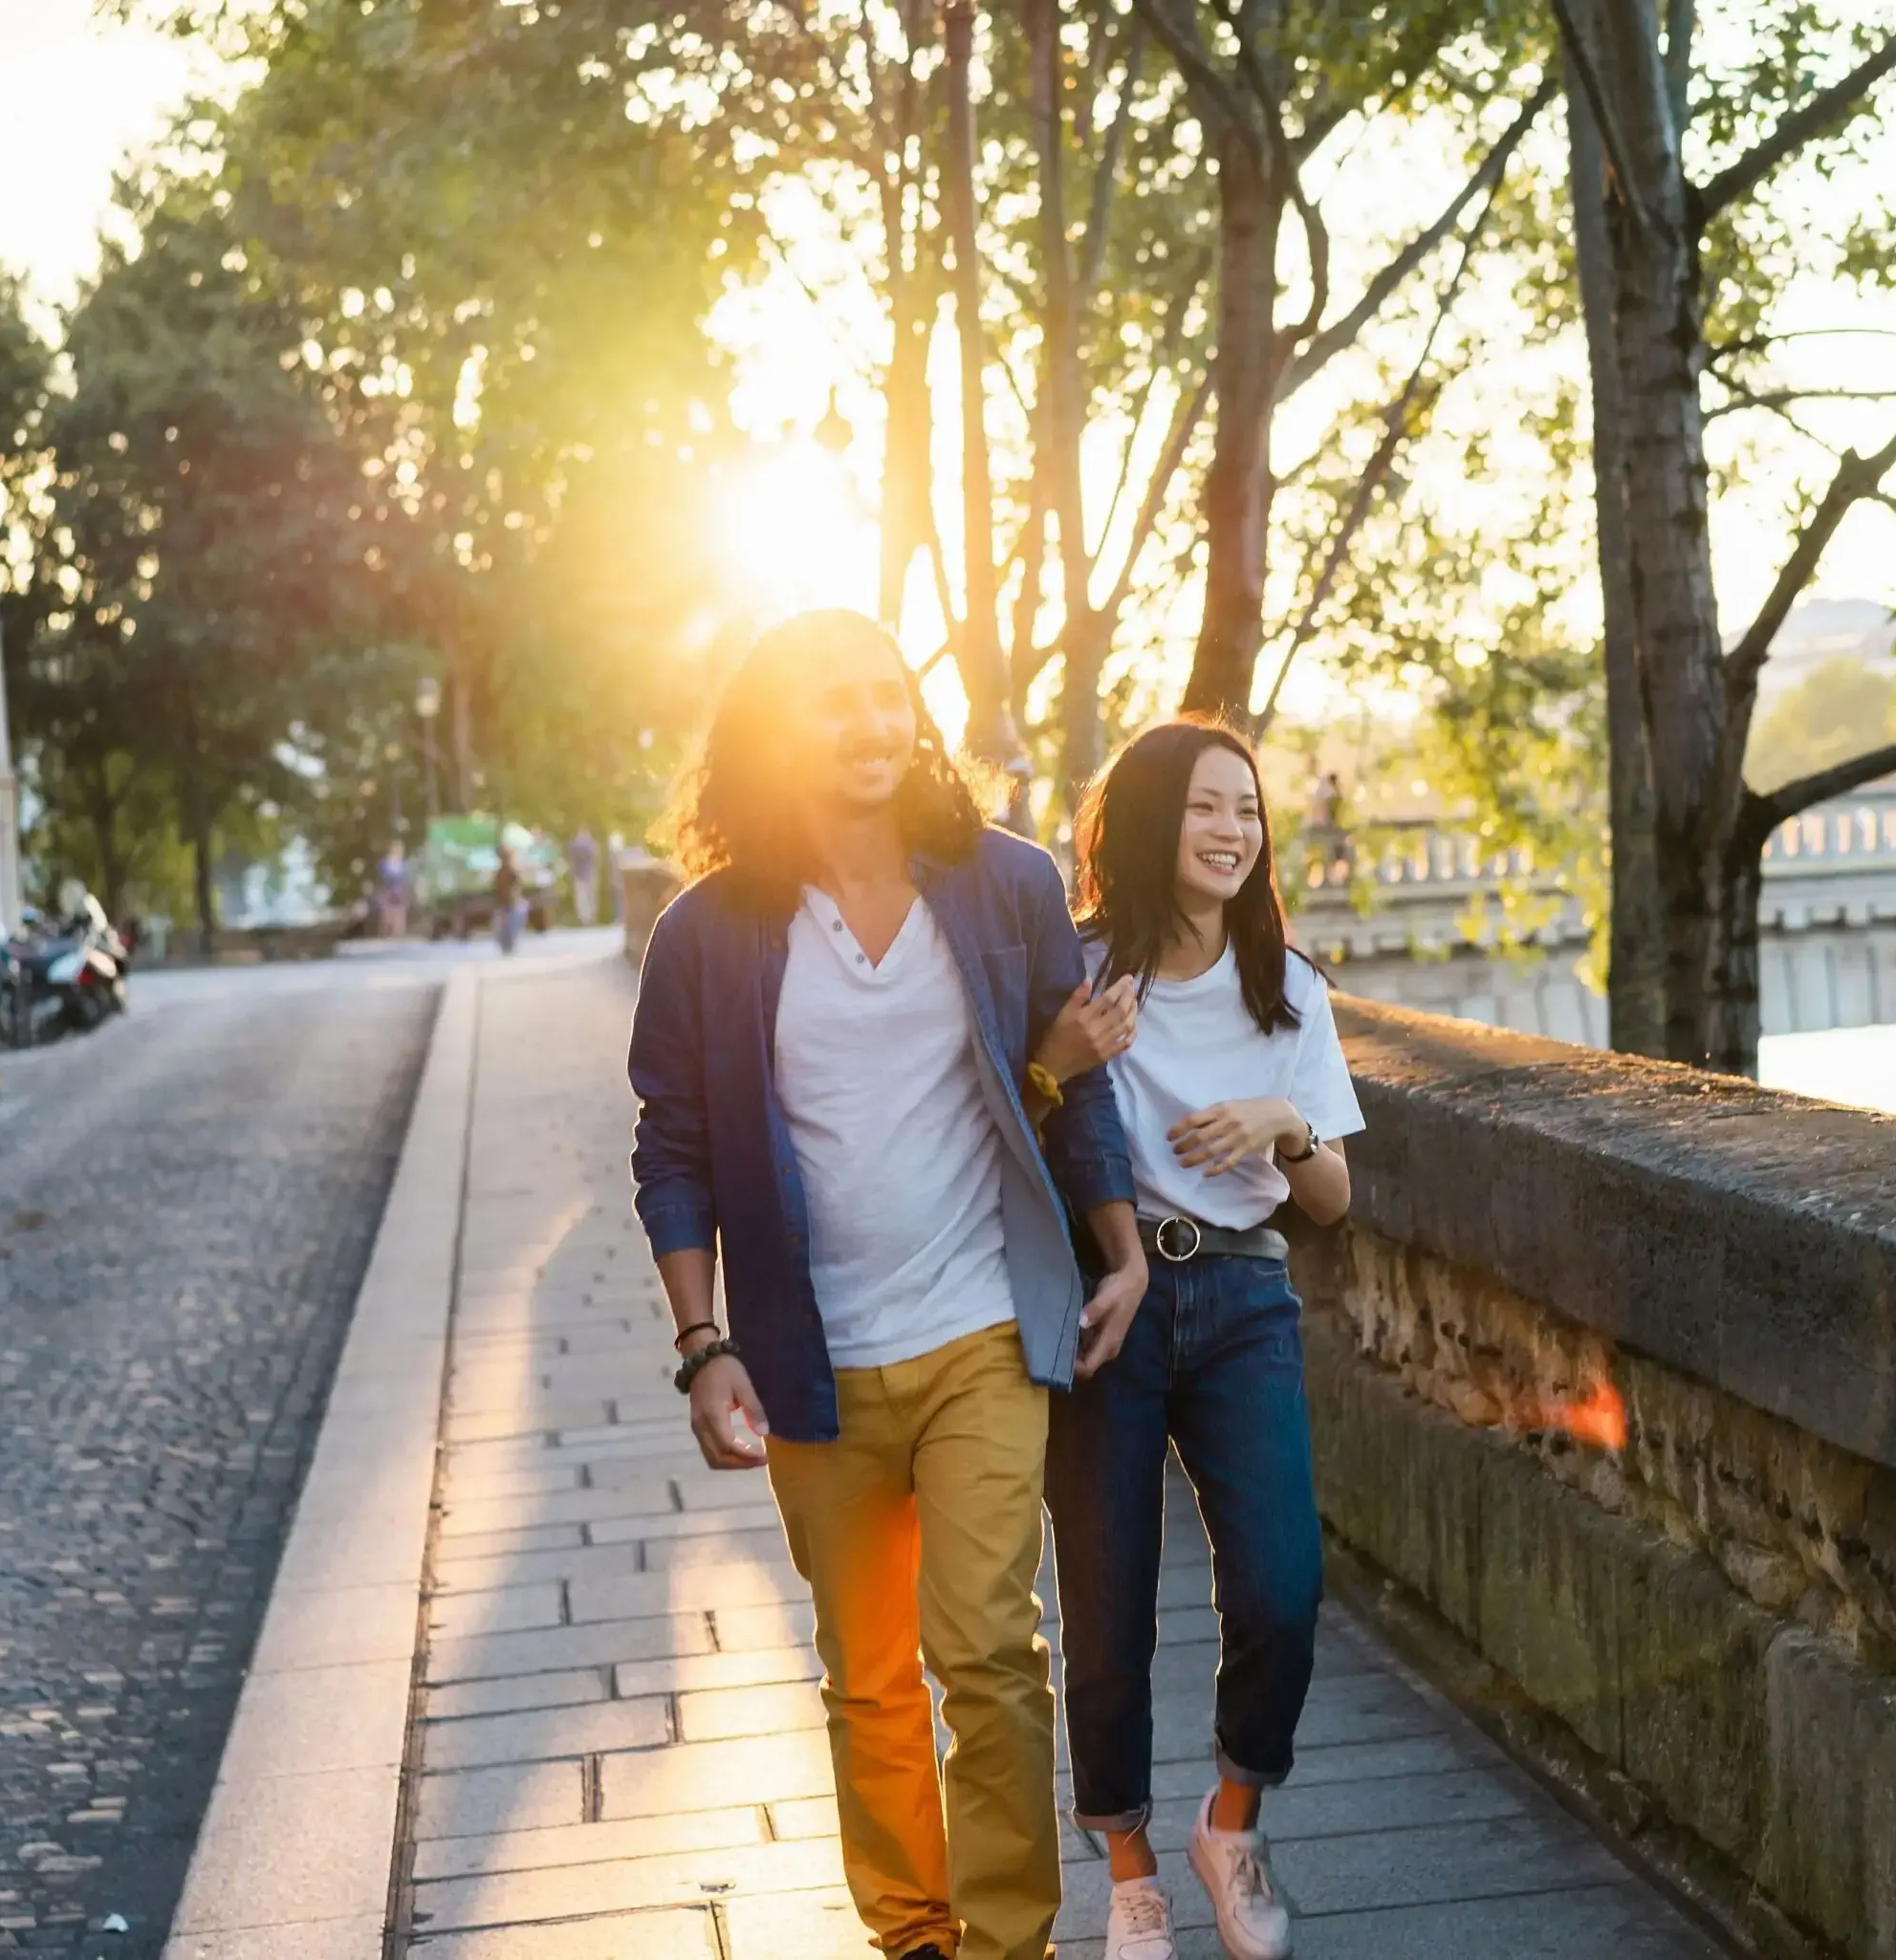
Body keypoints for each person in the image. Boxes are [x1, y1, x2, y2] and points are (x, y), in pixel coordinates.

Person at [628, 608, 1148, 1960]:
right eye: (832, 702)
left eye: (887, 695)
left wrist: (1123, 1242)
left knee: (986, 1652)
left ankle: (1009, 1942)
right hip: (812, 1360)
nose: (870, 724)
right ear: (771, 738)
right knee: (866, 1682)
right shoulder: (706, 935)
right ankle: (912, 1934)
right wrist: (705, 1344)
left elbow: (1068, 1072)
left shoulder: (1006, 885)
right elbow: (672, 1148)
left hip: (982, 1323)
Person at [1031, 718, 1362, 1960]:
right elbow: (1013, 1118)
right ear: (1150, 819)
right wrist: (1062, 1060)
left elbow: (1331, 1202)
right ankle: (1128, 1871)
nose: (1233, 832)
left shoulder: (1291, 989)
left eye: (1249, 810)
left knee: (1283, 1582)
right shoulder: (1084, 975)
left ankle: (1233, 1823)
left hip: (1242, 1301)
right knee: (1108, 1610)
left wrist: (1287, 1122)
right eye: (1205, 808)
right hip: (1107, 1304)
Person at [490, 843, 525, 954]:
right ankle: (506, 946)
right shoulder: (500, 872)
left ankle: (509, 946)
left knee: (510, 925)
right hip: (503, 903)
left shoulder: (511, 871)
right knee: (503, 926)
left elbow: (516, 885)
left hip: (510, 903)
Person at [568, 826, 599, 927]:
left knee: (581, 898)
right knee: (590, 896)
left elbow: (570, 853)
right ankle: (590, 918)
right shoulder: (590, 844)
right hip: (589, 873)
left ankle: (584, 919)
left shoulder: (575, 844)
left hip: (579, 874)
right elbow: (596, 855)